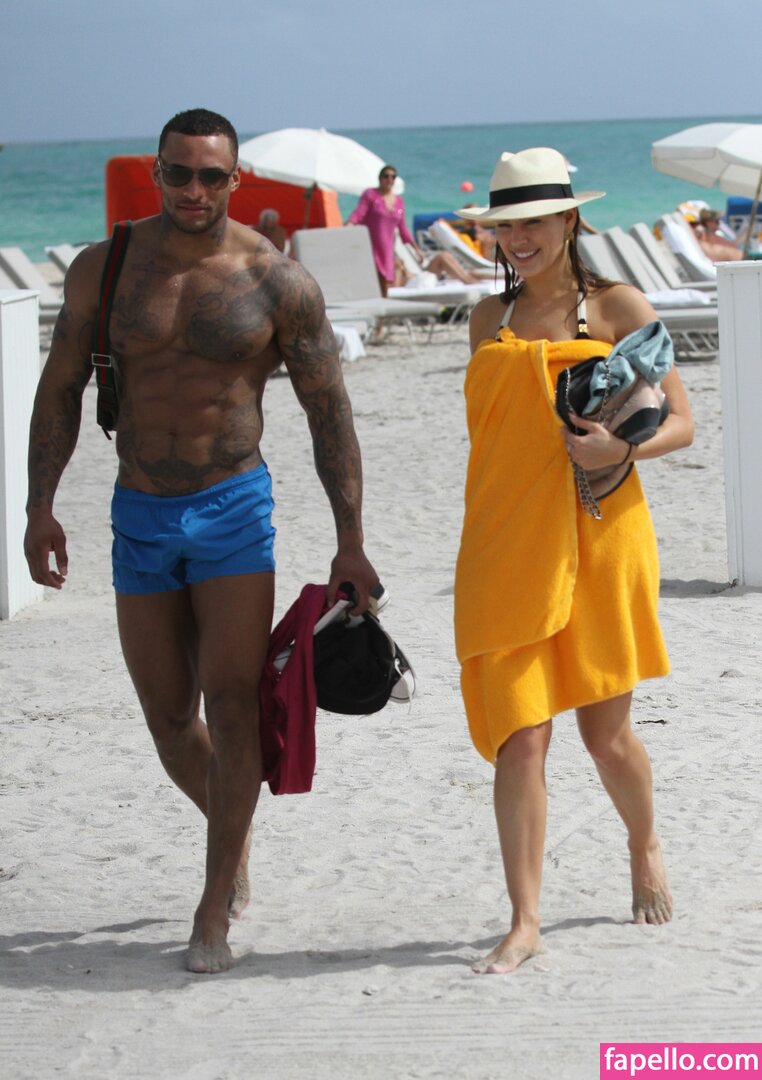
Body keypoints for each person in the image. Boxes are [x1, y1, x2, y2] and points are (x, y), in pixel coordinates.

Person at [23, 108, 378, 975]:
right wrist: (39, 507)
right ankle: (234, 830)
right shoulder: (104, 269)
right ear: (156, 172)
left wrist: (350, 540)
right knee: (170, 720)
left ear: (234, 181)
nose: (193, 189)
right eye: (178, 173)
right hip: (138, 512)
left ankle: (214, 903)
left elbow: (328, 410)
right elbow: (61, 384)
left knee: (233, 704)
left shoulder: (276, 281)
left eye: (210, 176)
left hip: (233, 511)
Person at [453, 148, 694, 974]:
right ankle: (525, 921)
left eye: (534, 222)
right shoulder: (487, 320)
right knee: (520, 738)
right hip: (505, 541)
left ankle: (643, 841)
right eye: (506, 226)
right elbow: (493, 439)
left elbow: (682, 423)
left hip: (602, 533)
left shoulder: (618, 305)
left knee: (606, 735)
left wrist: (616, 452)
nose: (519, 238)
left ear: (569, 219)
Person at [345, 165, 427, 296]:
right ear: (380, 178)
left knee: (386, 286)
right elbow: (359, 213)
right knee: (373, 281)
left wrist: (417, 249)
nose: (389, 179)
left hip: (387, 250)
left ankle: (383, 308)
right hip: (371, 246)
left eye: (393, 177)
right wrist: (349, 224)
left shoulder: (399, 201)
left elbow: (403, 229)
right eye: (386, 176)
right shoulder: (371, 195)